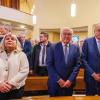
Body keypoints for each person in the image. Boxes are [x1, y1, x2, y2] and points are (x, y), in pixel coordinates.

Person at [47, 27, 80, 96]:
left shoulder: (75, 48)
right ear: (61, 35)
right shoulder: (52, 47)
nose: (67, 36)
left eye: (69, 34)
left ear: (71, 36)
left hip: (69, 84)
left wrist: (70, 80)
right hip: (55, 83)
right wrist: (59, 80)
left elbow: (77, 65)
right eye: (64, 34)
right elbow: (50, 65)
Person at [0, 33, 29, 99]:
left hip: (16, 89)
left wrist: (11, 83)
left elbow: (24, 71)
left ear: (16, 43)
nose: (9, 40)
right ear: (3, 42)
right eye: (7, 39)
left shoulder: (21, 55)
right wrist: (0, 83)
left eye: (12, 39)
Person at [82, 23, 100, 95]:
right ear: (94, 31)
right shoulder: (87, 42)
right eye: (99, 30)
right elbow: (83, 60)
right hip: (90, 77)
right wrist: (93, 74)